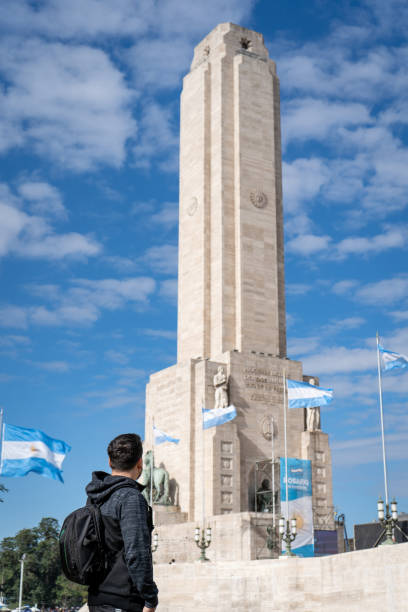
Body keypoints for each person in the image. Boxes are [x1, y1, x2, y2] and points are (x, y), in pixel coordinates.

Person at [86, 433, 158, 612]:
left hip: (96, 599)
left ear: (109, 462)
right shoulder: (131, 498)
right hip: (123, 600)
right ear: (140, 463)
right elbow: (136, 553)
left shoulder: (94, 497)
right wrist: (150, 599)